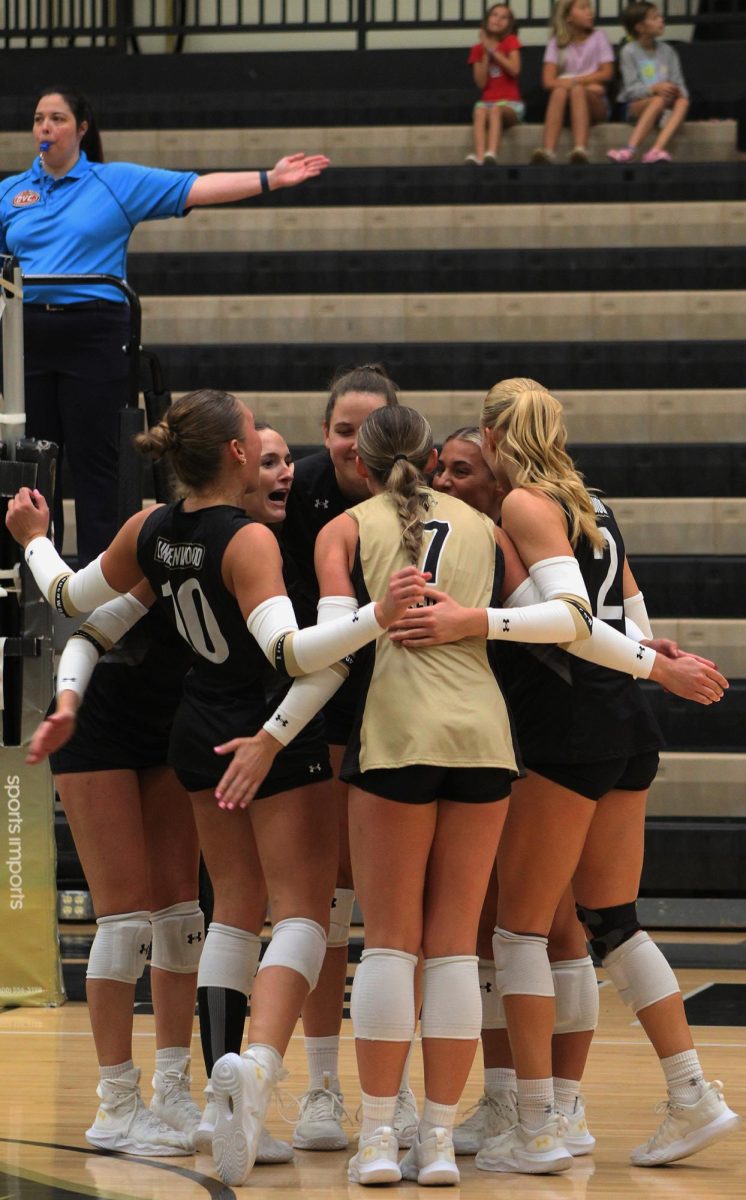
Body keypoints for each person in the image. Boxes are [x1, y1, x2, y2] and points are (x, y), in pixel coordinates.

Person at [5, 387, 427, 1189]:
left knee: (228, 909)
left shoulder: (151, 529)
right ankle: (253, 1072)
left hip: (192, 728)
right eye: (258, 445)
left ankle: (213, 1094)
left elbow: (66, 599)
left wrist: (32, 538)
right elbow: (292, 654)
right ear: (236, 454)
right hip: (256, 724)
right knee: (301, 910)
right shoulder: (247, 544)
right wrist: (376, 614)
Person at [391, 380, 739, 1173]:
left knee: (520, 930)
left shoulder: (526, 504)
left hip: (571, 722)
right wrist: (657, 663)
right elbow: (633, 611)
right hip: (622, 724)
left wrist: (467, 620)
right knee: (609, 919)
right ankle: (691, 1096)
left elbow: (576, 622)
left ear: (493, 432)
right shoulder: (592, 503)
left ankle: (540, 1124)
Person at [25, 422, 307, 1164]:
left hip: (174, 727)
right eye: (266, 455)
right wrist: (66, 701)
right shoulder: (167, 536)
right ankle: (115, 1101)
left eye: (287, 460)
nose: (281, 472)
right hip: (99, 726)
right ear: (236, 461)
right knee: (125, 921)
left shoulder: (232, 542)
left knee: (183, 916)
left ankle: (177, 1087)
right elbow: (87, 623)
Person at [0, 86, 329, 565]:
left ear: (82, 128)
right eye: (38, 120)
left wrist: (270, 179)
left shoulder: (114, 183)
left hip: (96, 332)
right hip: (24, 335)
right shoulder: (11, 192)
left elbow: (192, 187)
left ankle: (99, 583)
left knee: (97, 465)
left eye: (56, 118)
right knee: (35, 462)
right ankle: (35, 580)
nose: (45, 128)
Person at [280, 365, 422, 1153]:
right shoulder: (304, 492)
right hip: (324, 709)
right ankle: (325, 1088)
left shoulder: (429, 505)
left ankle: (394, 1093)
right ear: (327, 431)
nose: (350, 445)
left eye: (364, 432)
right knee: (330, 902)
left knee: (399, 916)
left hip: (409, 717)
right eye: (340, 429)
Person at [531, 0, 614, 164]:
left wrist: (575, 81)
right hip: (567, 105)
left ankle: (580, 150)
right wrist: (582, 83)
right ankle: (548, 152)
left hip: (595, 104)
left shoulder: (599, 37)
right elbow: (548, 81)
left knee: (576, 90)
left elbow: (607, 73)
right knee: (559, 91)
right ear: (568, 17)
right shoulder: (556, 42)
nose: (590, 12)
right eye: (583, 8)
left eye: (589, 7)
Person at [608, 3, 690, 163]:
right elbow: (631, 90)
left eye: (660, 16)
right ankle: (629, 150)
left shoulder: (668, 51)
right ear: (640, 27)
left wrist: (676, 91)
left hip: (665, 105)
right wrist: (654, 89)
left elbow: (680, 83)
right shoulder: (629, 51)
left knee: (683, 102)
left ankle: (656, 150)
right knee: (657, 100)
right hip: (635, 106)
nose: (661, 20)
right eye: (655, 18)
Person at [465, 5, 524, 166]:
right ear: (487, 19)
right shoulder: (477, 49)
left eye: (504, 17)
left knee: (495, 111)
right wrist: (485, 51)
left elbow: (515, 69)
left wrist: (494, 51)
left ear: (509, 24)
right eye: (494, 15)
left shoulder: (510, 41)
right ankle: (479, 157)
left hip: (510, 104)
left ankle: (491, 153)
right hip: (487, 102)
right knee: (479, 111)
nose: (497, 19)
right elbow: (481, 83)